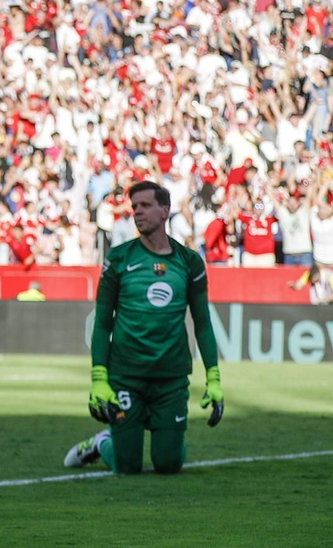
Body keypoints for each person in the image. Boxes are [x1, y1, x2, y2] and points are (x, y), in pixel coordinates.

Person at [63, 181, 224, 475]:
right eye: (134, 206)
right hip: (126, 376)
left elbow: (202, 322)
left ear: (165, 211)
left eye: (145, 206)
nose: (137, 212)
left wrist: (213, 378)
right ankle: (103, 443)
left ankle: (159, 436)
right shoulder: (119, 259)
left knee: (168, 464)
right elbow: (102, 323)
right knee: (127, 466)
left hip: (171, 378)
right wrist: (99, 377)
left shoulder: (189, 262)